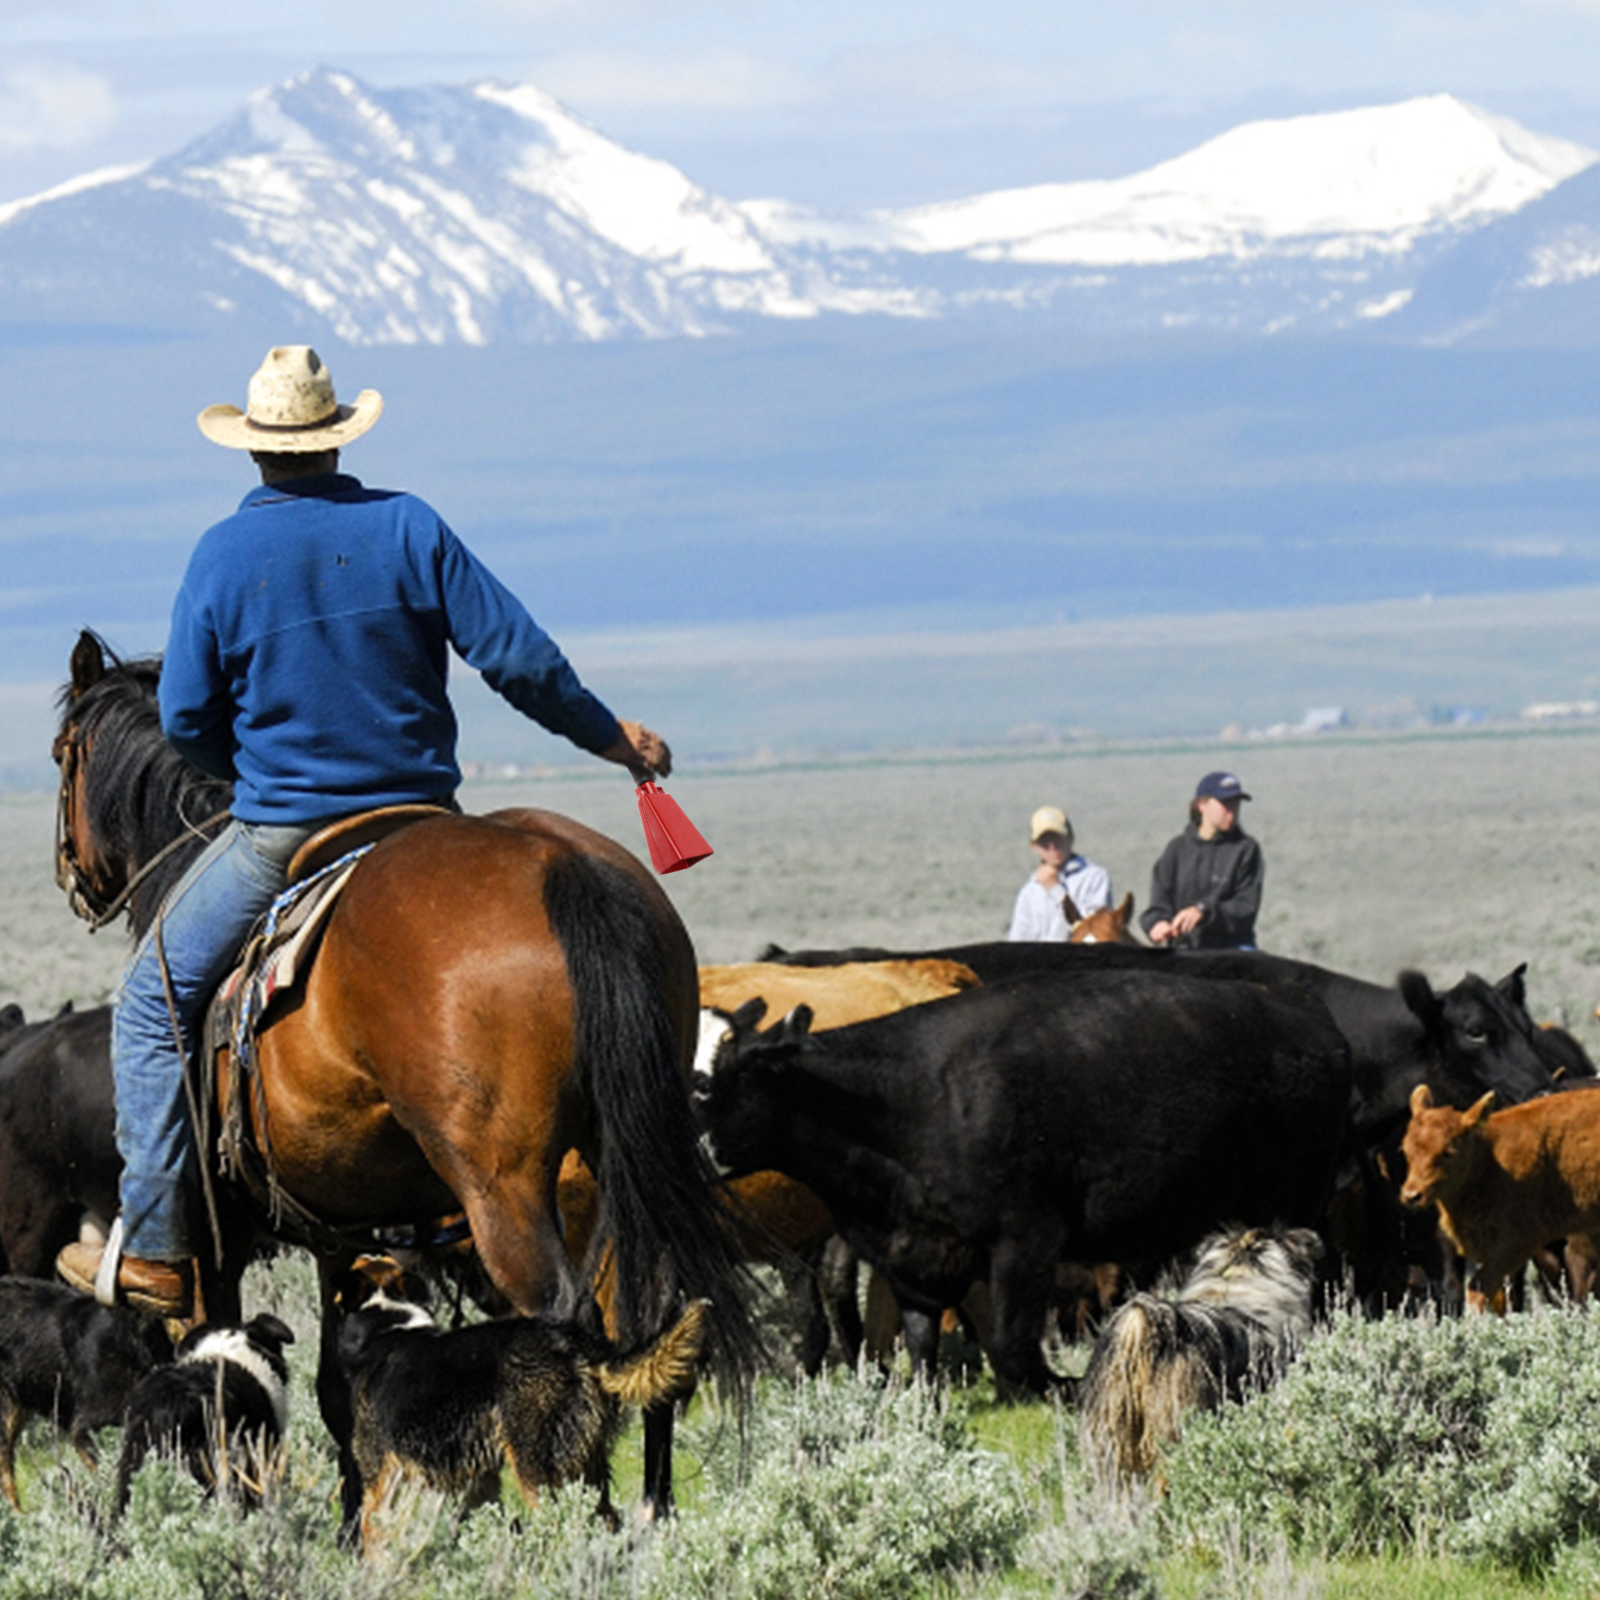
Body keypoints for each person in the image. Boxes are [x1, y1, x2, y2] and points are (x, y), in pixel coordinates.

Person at [58, 346, 669, 1317]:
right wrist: (609, 737)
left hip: (286, 832)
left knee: (146, 1007)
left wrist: (245, 769)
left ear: (254, 449)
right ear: (338, 438)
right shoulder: (410, 525)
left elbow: (182, 717)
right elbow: (518, 658)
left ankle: (161, 1250)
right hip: (421, 815)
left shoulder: (222, 553)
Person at [1140, 771, 1263, 951]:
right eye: (1225, 803)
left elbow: (1245, 907)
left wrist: (1204, 911)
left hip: (1233, 947)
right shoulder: (1177, 849)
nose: (1232, 810)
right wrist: (1157, 924)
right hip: (1185, 949)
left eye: (1236, 803)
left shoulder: (1246, 849)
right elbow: (1160, 902)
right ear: (1201, 805)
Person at [1007, 805, 1112, 942]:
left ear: (1071, 838)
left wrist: (1055, 890)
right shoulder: (1029, 892)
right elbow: (1019, 940)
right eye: (1045, 841)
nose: (1052, 846)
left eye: (1057, 838)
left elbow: (1094, 932)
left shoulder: (1094, 878)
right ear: (1034, 846)